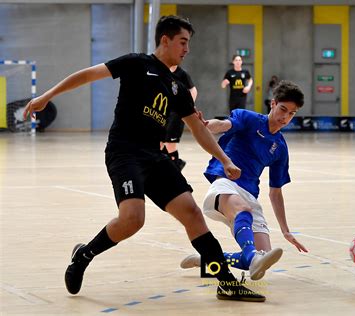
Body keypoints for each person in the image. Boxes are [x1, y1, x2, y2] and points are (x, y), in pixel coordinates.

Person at [23, 15, 265, 302]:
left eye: (189, 43)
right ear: (165, 40)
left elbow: (197, 128)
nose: (187, 49)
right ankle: (83, 256)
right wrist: (46, 96)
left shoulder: (177, 85)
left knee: (192, 213)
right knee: (133, 219)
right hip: (124, 152)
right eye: (183, 42)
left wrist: (224, 159)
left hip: (155, 156)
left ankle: (225, 281)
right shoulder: (136, 63)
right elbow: (87, 74)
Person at [180, 80, 308, 281]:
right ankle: (250, 256)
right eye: (283, 109)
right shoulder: (249, 119)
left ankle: (207, 260)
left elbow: (275, 192)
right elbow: (223, 124)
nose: (285, 117)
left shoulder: (280, 148)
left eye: (291, 113)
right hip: (225, 184)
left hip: (250, 195)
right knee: (243, 211)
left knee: (262, 258)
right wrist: (205, 126)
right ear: (273, 104)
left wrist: (285, 231)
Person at [161, 65, 198, 170]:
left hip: (177, 113)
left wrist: (188, 106)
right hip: (164, 112)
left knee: (170, 143)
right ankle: (174, 164)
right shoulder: (163, 71)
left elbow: (193, 90)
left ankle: (175, 167)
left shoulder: (182, 73)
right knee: (159, 142)